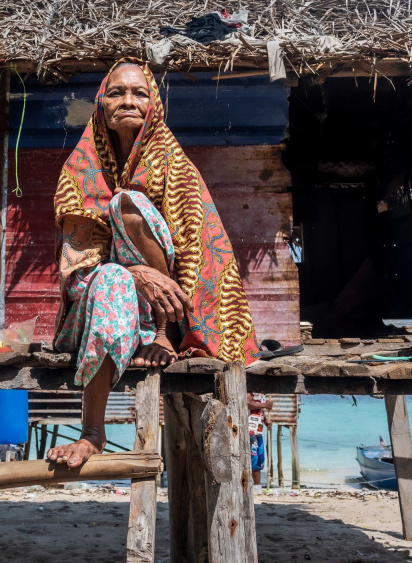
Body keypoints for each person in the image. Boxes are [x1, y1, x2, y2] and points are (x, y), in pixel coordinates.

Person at [46, 59, 259, 468]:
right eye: (117, 92)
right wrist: (131, 273)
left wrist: (169, 323)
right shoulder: (79, 170)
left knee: (130, 203)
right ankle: (93, 432)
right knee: (110, 276)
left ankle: (162, 332)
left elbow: (200, 254)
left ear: (154, 105)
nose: (128, 100)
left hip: (169, 321)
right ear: (101, 104)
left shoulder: (175, 167)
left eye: (139, 93)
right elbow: (76, 275)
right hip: (97, 314)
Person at [247, 393, 273, 486]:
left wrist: (266, 421)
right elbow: (247, 404)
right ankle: (249, 486)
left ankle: (257, 486)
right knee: (251, 460)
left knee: (258, 461)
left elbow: (260, 411)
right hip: (249, 432)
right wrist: (265, 405)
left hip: (258, 432)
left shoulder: (262, 394)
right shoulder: (250, 392)